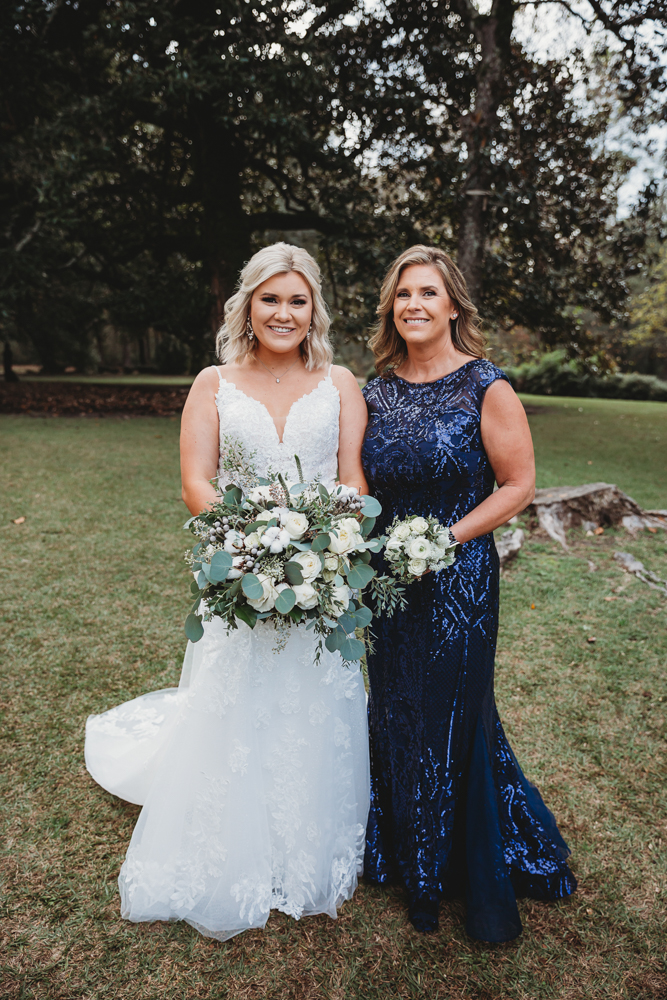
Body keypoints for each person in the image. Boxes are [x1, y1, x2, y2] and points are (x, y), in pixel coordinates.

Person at [85, 243, 371, 941]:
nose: (282, 312)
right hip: (241, 570)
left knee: (308, 700)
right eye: (269, 299)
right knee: (237, 700)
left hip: (320, 574)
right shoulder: (213, 383)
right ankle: (227, 834)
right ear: (247, 306)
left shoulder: (341, 383)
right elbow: (196, 480)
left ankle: (305, 837)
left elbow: (353, 479)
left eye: (296, 300)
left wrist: (322, 546)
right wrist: (245, 546)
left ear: (314, 312)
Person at [360, 245, 576, 941]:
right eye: (402, 295)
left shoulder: (484, 386)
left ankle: (444, 874)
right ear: (392, 308)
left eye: (426, 292)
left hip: (458, 580)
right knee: (395, 709)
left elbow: (517, 486)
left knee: (450, 715)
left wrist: (445, 541)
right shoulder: (375, 389)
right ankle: (404, 852)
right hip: (386, 580)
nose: (413, 305)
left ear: (452, 305)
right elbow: (359, 483)